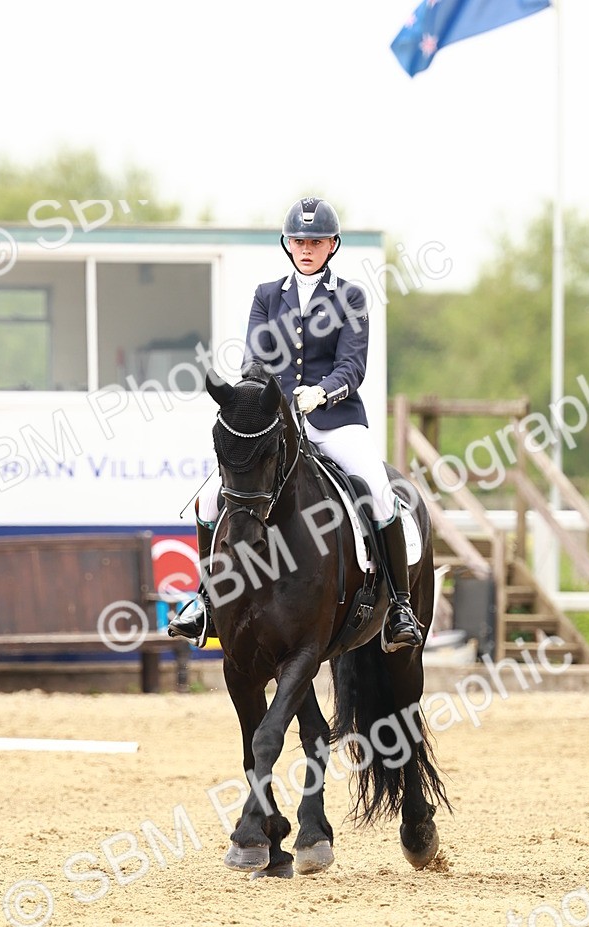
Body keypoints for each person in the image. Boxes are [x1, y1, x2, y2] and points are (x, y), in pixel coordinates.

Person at [168, 196, 422, 651]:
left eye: (316, 241)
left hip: (336, 419)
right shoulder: (268, 295)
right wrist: (273, 402)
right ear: (288, 244)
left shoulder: (350, 296)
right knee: (209, 497)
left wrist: (323, 391)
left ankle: (400, 605)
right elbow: (254, 360)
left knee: (378, 490)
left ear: (332, 245)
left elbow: (352, 365)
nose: (306, 248)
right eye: (299, 240)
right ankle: (205, 598)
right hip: (279, 422)